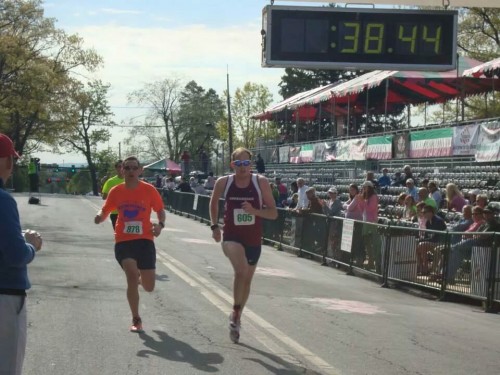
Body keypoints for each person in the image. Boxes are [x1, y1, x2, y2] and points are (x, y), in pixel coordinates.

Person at [209, 147, 277, 343]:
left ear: (251, 165)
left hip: (253, 238)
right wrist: (214, 225)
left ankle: (237, 313)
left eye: (246, 163)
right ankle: (236, 312)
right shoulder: (225, 182)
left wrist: (255, 211)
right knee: (241, 271)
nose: (242, 168)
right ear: (232, 165)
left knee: (247, 279)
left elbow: (273, 213)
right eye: (238, 164)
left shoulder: (260, 182)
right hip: (231, 236)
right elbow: (213, 202)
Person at [94, 156, 165, 333]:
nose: (131, 171)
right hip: (123, 240)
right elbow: (105, 209)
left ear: (140, 170)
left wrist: (160, 225)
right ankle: (136, 318)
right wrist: (99, 217)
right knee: (132, 276)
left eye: (134, 168)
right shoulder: (116, 191)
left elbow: (160, 210)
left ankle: (142, 278)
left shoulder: (149, 190)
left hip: (145, 240)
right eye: (127, 168)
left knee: (149, 287)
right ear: (122, 171)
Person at [0, 133, 43, 375]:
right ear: (7, 161)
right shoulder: (3, 201)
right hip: (5, 295)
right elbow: (16, 255)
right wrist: (30, 244)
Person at [101, 160, 124, 230]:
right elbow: (104, 197)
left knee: (129, 237)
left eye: (123, 166)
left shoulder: (131, 181)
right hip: (115, 213)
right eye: (119, 167)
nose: (121, 168)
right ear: (116, 168)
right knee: (119, 235)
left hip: (128, 213)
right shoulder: (110, 181)